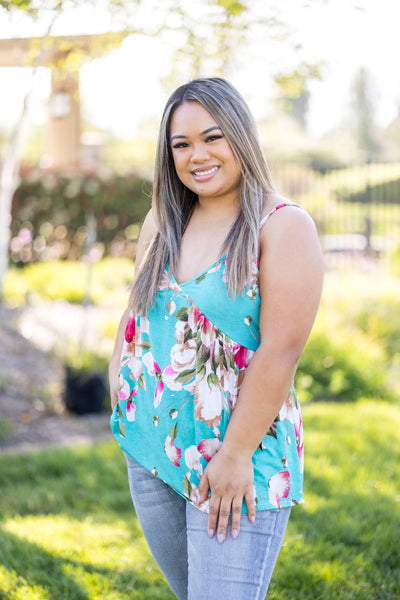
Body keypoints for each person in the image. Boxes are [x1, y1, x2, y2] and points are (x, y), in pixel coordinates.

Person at [109, 77, 323, 600]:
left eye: (212, 137)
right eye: (181, 145)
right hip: (151, 447)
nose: (196, 156)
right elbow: (135, 313)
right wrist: (121, 390)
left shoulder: (283, 225)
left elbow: (280, 352)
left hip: (237, 457)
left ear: (241, 137)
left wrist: (234, 456)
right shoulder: (163, 218)